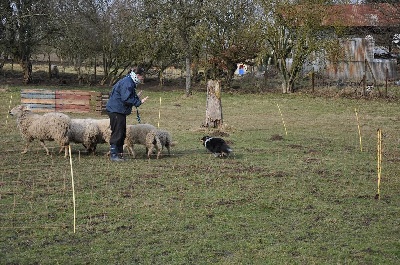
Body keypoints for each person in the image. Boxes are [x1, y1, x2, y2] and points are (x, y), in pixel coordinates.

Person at [106, 67, 148, 162]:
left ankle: (119, 154)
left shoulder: (129, 81)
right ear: (138, 75)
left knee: (122, 132)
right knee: (117, 132)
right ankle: (114, 155)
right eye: (142, 77)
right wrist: (138, 102)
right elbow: (126, 98)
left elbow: (127, 96)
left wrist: (136, 98)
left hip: (119, 110)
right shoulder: (127, 82)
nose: (143, 79)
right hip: (116, 110)